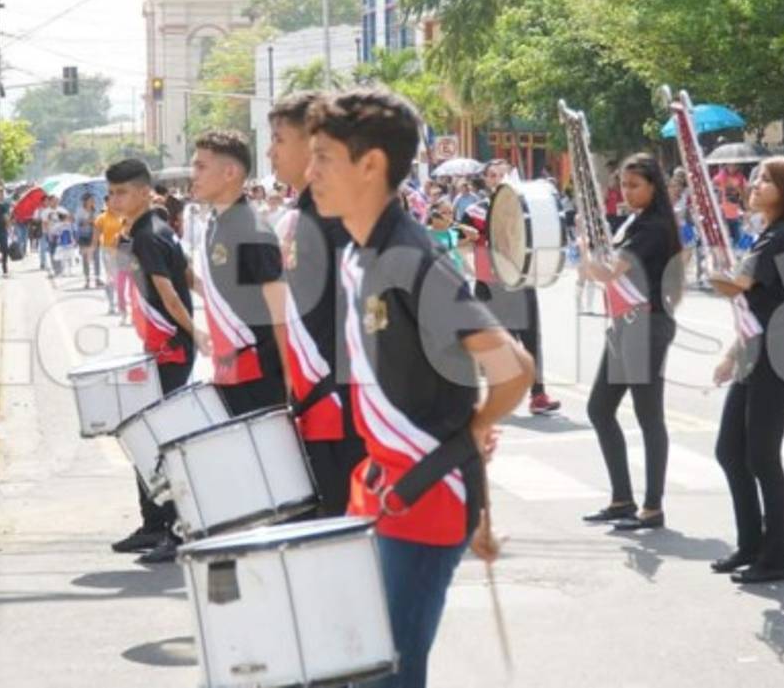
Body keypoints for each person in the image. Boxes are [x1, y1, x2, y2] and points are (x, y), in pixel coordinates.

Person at [305, 89, 533, 688]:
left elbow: (513, 366)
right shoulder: (362, 254)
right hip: (383, 490)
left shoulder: (408, 257)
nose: (310, 174)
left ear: (371, 164)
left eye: (323, 157)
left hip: (422, 500)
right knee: (365, 669)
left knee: (388, 677)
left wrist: (470, 438)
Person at [708, 156, 784, 584]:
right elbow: (766, 303)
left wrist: (715, 264)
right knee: (730, 451)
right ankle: (751, 544)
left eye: (766, 180)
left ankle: (777, 558)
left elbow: (740, 286)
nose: (755, 184)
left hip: (778, 357)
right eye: (755, 177)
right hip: (759, 352)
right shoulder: (771, 235)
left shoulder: (781, 238)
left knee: (761, 458)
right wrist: (732, 354)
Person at [266, 91, 365, 516]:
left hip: (344, 405)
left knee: (349, 539)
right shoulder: (305, 211)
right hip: (316, 402)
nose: (270, 151)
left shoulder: (336, 212)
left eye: (279, 139)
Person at [580, 154, 683, 530]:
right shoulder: (633, 222)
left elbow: (606, 272)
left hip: (647, 325)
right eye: (623, 184)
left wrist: (585, 249)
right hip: (625, 323)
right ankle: (622, 498)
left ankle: (652, 507)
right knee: (599, 408)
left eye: (634, 185)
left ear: (653, 187)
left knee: (648, 415)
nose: (627, 191)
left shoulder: (653, 227)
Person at [105, 159, 196, 565]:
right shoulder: (149, 230)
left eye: (122, 192)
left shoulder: (148, 235)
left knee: (161, 442)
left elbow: (171, 293)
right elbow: (188, 275)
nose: (114, 200)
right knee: (145, 438)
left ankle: (177, 529)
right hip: (160, 346)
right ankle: (154, 524)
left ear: (144, 192)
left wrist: (198, 334)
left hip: (171, 350)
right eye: (112, 193)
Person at [190, 130, 289, 417]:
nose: (193, 174)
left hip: (259, 377)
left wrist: (290, 379)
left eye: (201, 166)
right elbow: (224, 293)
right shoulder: (213, 222)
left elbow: (280, 312)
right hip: (229, 371)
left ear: (230, 172)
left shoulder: (251, 230)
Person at [460, 159, 562, 415]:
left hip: (519, 281)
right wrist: (474, 264)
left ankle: (538, 395)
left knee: (530, 340)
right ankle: (500, 398)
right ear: (485, 179)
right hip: (490, 285)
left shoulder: (524, 208)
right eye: (492, 175)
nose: (496, 179)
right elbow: (460, 246)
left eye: (501, 174)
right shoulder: (474, 211)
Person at [92, 201, 125, 316]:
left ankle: (119, 302)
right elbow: (96, 234)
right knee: (111, 277)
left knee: (120, 278)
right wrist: (93, 248)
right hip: (107, 251)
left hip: (121, 251)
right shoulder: (102, 218)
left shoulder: (123, 216)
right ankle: (111, 303)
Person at [75, 193, 101, 289]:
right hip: (84, 237)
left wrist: (95, 221)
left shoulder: (96, 210)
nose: (93, 201)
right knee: (85, 260)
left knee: (96, 258)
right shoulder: (80, 211)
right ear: (85, 201)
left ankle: (97, 279)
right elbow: (78, 223)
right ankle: (87, 280)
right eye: (91, 200)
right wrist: (88, 221)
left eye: (93, 199)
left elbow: (99, 222)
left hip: (95, 236)